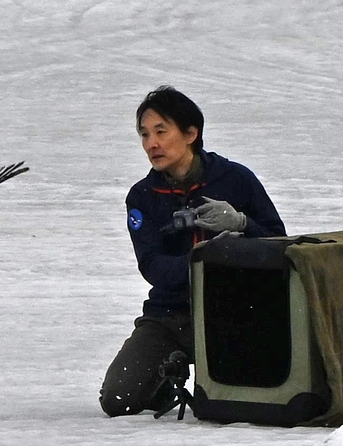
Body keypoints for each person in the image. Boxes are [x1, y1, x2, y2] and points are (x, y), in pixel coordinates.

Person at [99, 86, 287, 417]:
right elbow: (152, 266)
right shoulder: (143, 197)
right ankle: (164, 379)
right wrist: (205, 258)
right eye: (144, 134)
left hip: (236, 312)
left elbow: (279, 243)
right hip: (169, 316)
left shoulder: (235, 179)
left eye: (161, 131)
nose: (151, 144)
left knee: (245, 403)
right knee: (118, 399)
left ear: (190, 133)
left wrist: (242, 224)